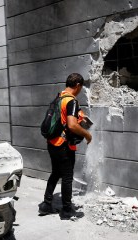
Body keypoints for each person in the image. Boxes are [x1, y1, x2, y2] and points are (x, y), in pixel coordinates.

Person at [38, 73, 92, 220]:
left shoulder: (59, 98)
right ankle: (67, 210)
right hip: (64, 146)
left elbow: (63, 118)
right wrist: (87, 135)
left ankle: (46, 204)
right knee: (67, 177)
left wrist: (81, 116)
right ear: (78, 85)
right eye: (81, 87)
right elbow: (72, 125)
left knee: (56, 172)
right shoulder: (72, 101)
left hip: (52, 144)